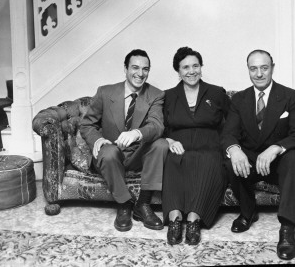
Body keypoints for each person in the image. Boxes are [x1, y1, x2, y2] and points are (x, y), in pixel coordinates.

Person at [221, 49, 295, 260]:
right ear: (248, 70)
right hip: (250, 162)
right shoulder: (239, 99)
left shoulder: (290, 96)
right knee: (229, 158)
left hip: (279, 162)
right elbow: (228, 135)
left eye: (264, 68)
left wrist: (276, 148)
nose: (259, 73)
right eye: (254, 68)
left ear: (272, 68)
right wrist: (234, 150)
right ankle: (248, 212)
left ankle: (287, 229)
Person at [80, 49, 169, 232]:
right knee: (109, 151)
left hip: (138, 155)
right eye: (135, 67)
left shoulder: (156, 94)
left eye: (145, 69)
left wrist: (137, 133)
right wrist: (97, 139)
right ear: (125, 68)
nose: (140, 73)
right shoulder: (105, 92)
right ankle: (124, 204)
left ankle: (143, 204)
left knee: (161, 144)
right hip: (111, 153)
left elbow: (157, 125)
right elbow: (87, 125)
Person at [162, 46, 230, 245]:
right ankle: (175, 218)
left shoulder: (217, 93)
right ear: (178, 71)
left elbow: (232, 122)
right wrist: (169, 141)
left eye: (195, 66)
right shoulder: (167, 96)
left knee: (208, 159)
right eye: (185, 67)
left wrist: (230, 146)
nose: (191, 71)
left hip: (210, 146)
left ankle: (193, 219)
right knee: (173, 160)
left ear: (201, 67)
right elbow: (160, 127)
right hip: (179, 146)